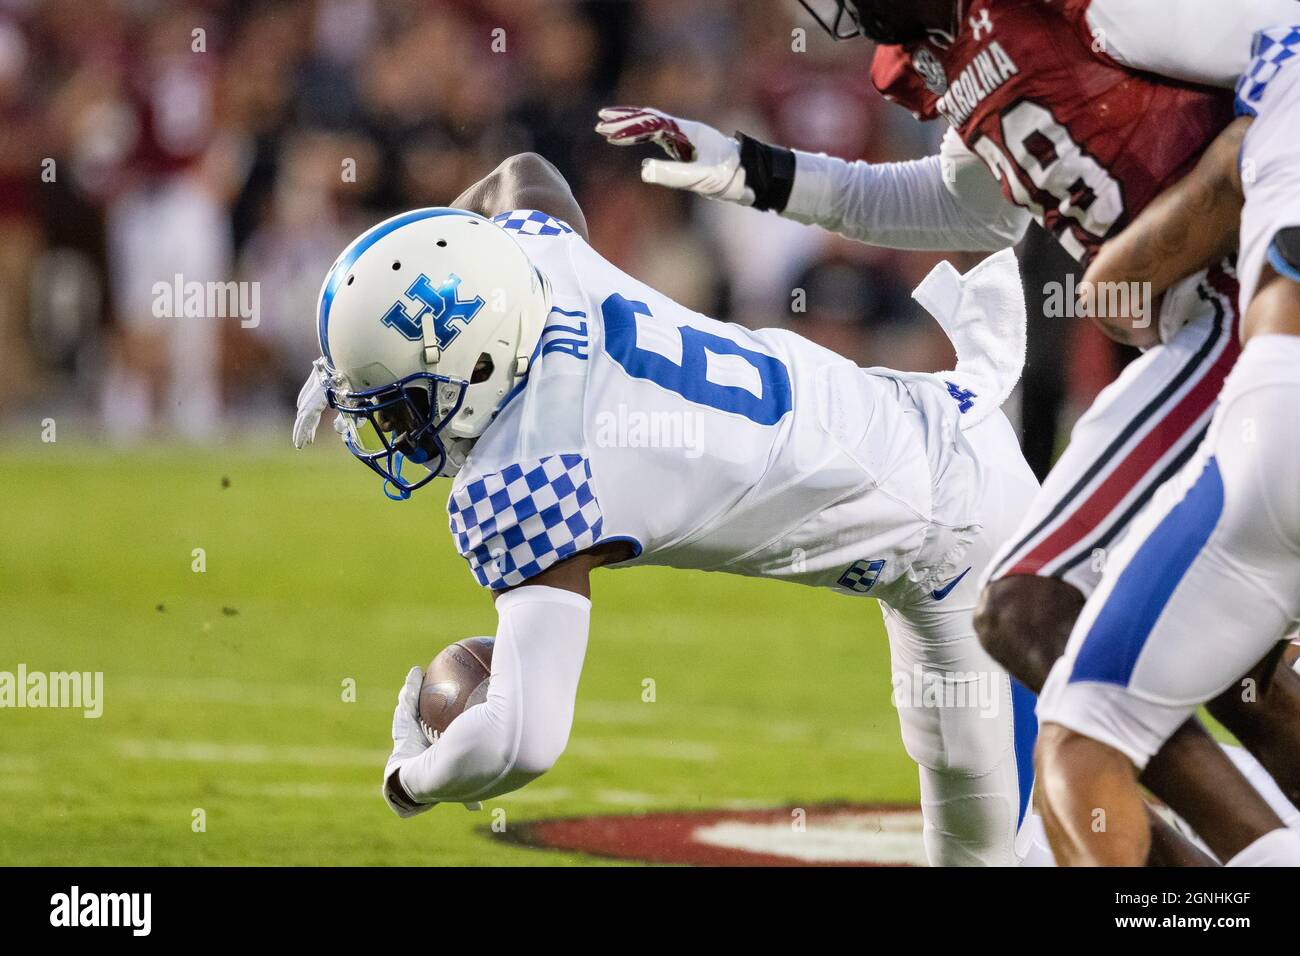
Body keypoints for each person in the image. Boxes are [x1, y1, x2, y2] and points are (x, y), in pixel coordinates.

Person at [594, 0, 1300, 865]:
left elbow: (1283, 58)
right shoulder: (948, 46)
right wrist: (750, 169)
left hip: (1242, 312)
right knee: (1224, 657)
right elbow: (972, 209)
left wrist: (1212, 219)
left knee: (1036, 610)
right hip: (1196, 325)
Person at [293, 152, 1041, 865]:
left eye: (401, 406)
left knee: (1033, 841)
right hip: (930, 445)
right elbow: (525, 176)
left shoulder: (535, 469)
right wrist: (448, 250)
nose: (393, 432)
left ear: (479, 363)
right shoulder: (535, 267)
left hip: (963, 533)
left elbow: (520, 741)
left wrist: (407, 779)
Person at [1036, 25, 1300, 865]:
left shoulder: (1272, 38)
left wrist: (1117, 275)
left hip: (1282, 415)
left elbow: (1131, 269)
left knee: (1082, 739)